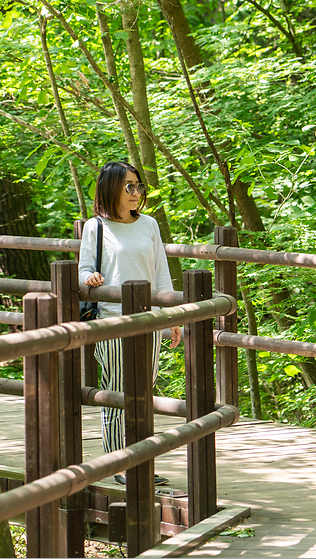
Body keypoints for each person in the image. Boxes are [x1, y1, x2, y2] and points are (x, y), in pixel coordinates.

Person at [78, 161, 182, 486]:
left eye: (138, 186)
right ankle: (118, 464)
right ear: (111, 189)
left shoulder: (149, 225)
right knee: (119, 392)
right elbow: (82, 271)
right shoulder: (96, 228)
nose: (136, 193)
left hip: (148, 321)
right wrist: (91, 278)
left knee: (143, 391)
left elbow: (162, 274)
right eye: (129, 187)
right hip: (112, 322)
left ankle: (141, 461)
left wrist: (171, 317)